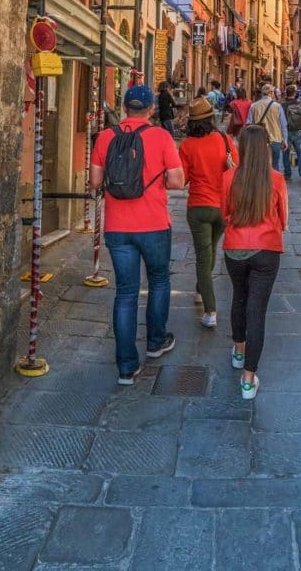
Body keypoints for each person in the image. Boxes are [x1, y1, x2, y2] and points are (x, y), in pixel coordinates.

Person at [90, 84, 184, 385]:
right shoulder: (161, 136)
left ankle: (126, 367)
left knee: (126, 293)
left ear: (124, 108)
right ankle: (156, 341)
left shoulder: (105, 137)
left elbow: (94, 181)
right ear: (151, 109)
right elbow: (177, 180)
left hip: (118, 227)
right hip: (154, 223)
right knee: (158, 280)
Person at [221, 125, 288, 400]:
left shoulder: (228, 177)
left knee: (239, 297)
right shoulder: (276, 179)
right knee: (256, 310)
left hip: (235, 247)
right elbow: (283, 218)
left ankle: (238, 351)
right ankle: (248, 380)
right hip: (266, 248)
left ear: (243, 149)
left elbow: (224, 213)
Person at [179, 96, 238, 328]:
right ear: (211, 118)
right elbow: (238, 167)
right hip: (223, 206)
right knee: (211, 250)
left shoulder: (186, 146)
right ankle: (200, 288)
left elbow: (182, 179)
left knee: (204, 257)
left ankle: (210, 310)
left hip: (198, 207)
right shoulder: (224, 140)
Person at [246, 83, 288, 172]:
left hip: (259, 140)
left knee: (259, 165)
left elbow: (248, 124)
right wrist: (285, 140)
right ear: (271, 93)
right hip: (275, 139)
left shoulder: (254, 106)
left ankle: (261, 183)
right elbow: (283, 125)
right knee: (275, 164)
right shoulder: (278, 106)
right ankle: (274, 184)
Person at [281, 84, 301, 184]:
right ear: (295, 94)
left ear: (286, 94)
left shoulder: (283, 105)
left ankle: (287, 173)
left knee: (285, 153)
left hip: (286, 132)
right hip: (298, 131)